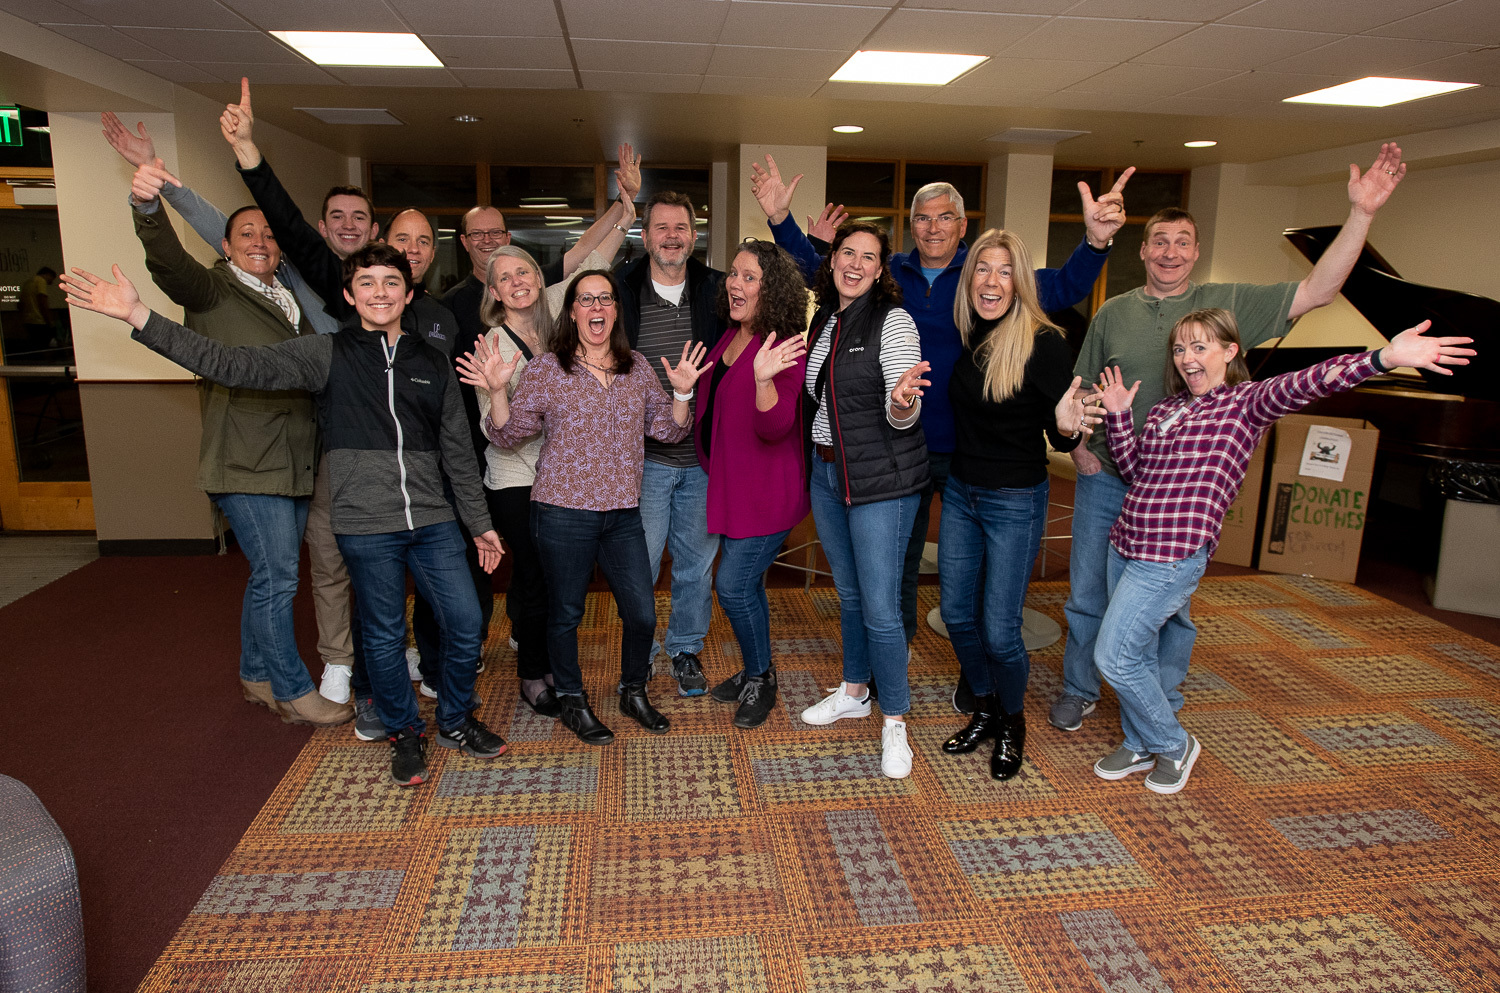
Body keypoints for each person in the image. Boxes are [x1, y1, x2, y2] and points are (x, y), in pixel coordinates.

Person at [59, 244, 508, 788]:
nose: (380, 292)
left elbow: (459, 454)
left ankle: (455, 721)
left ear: (408, 295)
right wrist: (138, 316)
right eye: (367, 283)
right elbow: (230, 362)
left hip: (434, 521)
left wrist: (479, 523)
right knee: (384, 638)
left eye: (391, 283)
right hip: (365, 526)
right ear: (349, 295)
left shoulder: (432, 363)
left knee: (464, 624)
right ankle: (404, 731)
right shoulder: (323, 353)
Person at [1051, 143, 1409, 735]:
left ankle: (1155, 702)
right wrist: (1082, 449)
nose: (1170, 252)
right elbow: (1084, 388)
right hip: (1111, 479)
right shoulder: (1113, 310)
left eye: (1182, 242)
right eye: (1159, 242)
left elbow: (1317, 290)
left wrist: (1363, 215)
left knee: (1168, 609)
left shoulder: (1228, 307)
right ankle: (1079, 687)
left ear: (1196, 251)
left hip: (1178, 497)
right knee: (1088, 595)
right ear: (1143, 251)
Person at [749, 156, 1130, 706]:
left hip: (967, 450)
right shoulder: (891, 273)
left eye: (944, 216)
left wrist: (1095, 243)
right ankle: (890, 661)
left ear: (961, 225)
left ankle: (976, 672)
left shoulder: (982, 280)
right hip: (894, 448)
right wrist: (782, 220)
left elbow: (1062, 285)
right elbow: (829, 268)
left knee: (969, 576)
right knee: (895, 568)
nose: (932, 227)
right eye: (922, 218)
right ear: (912, 227)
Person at [1083, 308, 1473, 794]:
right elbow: (1136, 471)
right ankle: (1140, 740)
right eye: (1180, 349)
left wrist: (1384, 358)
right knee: (1134, 651)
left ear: (1230, 352)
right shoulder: (1166, 408)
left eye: (1200, 346)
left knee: (1115, 657)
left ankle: (1173, 743)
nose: (1187, 358)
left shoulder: (1246, 403)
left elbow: (1311, 381)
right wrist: (1120, 417)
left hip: (1171, 555)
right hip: (1126, 542)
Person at [101, 115, 359, 713]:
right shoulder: (215, 291)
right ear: (225, 245)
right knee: (279, 579)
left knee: (268, 575)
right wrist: (149, 202)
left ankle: (254, 674)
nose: (261, 241)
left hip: (293, 461)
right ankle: (294, 692)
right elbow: (168, 262)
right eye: (247, 234)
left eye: (269, 236)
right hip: (245, 461)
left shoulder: (291, 295)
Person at [462, 270, 709, 745]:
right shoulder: (547, 369)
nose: (596, 307)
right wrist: (497, 391)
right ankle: (573, 700)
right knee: (566, 614)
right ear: (571, 311)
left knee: (641, 614)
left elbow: (671, 431)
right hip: (561, 513)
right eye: (585, 299)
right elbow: (508, 435)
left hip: (621, 516)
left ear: (614, 309)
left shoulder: (635, 366)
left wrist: (681, 393)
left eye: (605, 299)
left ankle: (633, 691)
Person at [936, 229, 1103, 780]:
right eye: (983, 269)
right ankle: (983, 707)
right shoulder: (972, 333)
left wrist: (1069, 429)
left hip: (1014, 500)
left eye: (1004, 271)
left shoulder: (1042, 341)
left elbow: (1063, 433)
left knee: (999, 628)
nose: (991, 281)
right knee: (958, 614)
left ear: (1020, 281)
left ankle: (1012, 723)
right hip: (962, 493)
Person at [798, 222, 930, 779]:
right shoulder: (826, 318)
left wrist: (901, 400)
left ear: (881, 269)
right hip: (829, 478)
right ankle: (854, 689)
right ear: (832, 261)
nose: (854, 263)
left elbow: (905, 409)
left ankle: (895, 720)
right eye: (846, 253)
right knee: (850, 594)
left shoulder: (893, 321)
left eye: (867, 257)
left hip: (881, 484)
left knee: (880, 608)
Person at [614, 191, 728, 696]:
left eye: (681, 227)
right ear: (645, 237)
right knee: (639, 564)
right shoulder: (620, 291)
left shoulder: (716, 290)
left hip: (702, 458)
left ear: (694, 236)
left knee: (695, 566)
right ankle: (639, 653)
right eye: (662, 228)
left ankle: (684, 649)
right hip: (643, 461)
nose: (672, 236)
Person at [695, 240, 811, 729]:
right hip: (735, 485)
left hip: (767, 493)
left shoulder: (783, 345)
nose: (734, 284)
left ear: (772, 289)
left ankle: (761, 678)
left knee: (734, 586)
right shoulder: (732, 336)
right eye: (733, 274)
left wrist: (764, 381)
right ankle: (753, 669)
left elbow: (776, 425)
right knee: (748, 588)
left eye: (748, 277)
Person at [17, 267, 57, 352]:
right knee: (45, 347)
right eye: (52, 279)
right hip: (39, 320)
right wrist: (49, 321)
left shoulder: (27, 283)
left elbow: (20, 304)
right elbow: (42, 301)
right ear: (47, 275)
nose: (51, 282)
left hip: (27, 320)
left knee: (34, 348)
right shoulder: (40, 281)